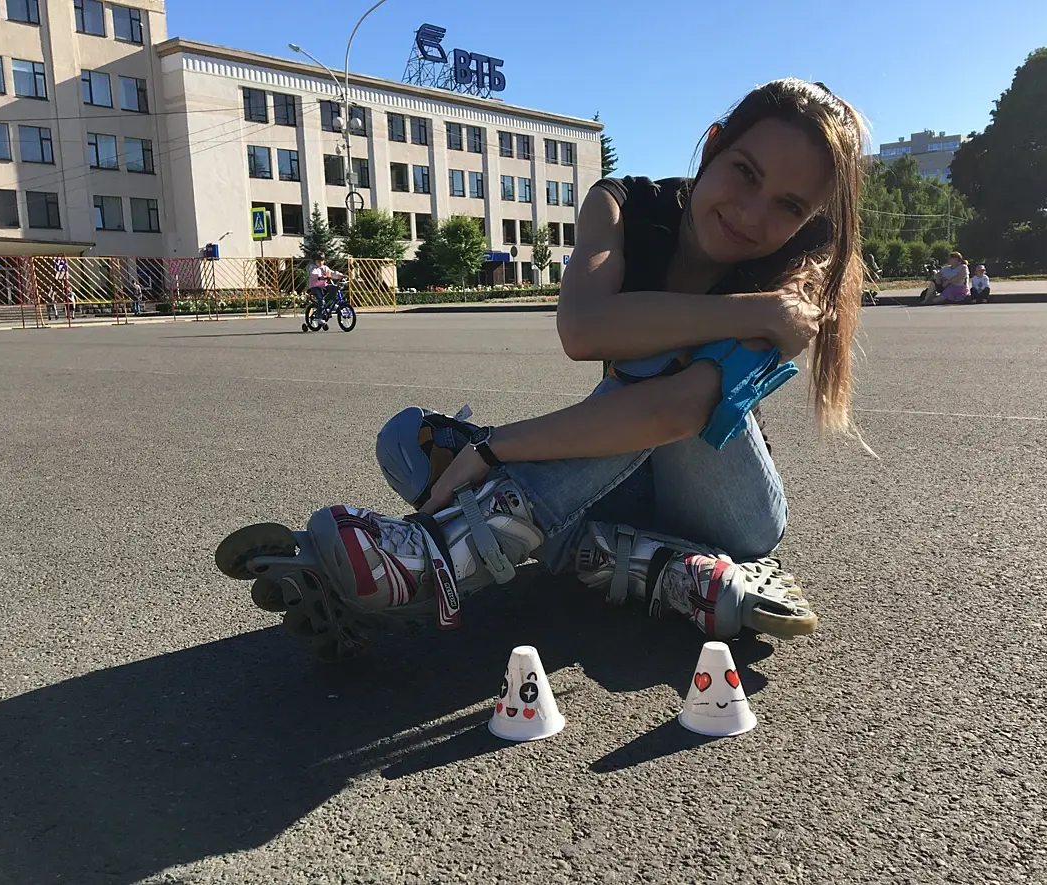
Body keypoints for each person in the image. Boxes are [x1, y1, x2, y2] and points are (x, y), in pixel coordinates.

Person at [215, 78, 870, 662]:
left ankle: (440, 554)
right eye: (746, 172)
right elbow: (583, 329)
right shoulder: (623, 204)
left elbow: (673, 411)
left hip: (728, 504)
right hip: (625, 476)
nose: (753, 214)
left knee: (651, 357)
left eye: (789, 206)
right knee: (408, 440)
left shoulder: (803, 268)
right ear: (715, 144)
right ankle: (644, 564)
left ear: (809, 218)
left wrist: (493, 451)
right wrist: (752, 312)